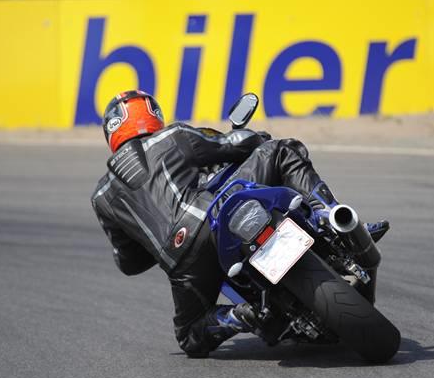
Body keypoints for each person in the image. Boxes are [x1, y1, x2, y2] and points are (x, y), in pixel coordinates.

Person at [91, 90, 384, 358]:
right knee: (282, 150)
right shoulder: (171, 136)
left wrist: (152, 238)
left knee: (190, 336)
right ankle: (328, 215)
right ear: (152, 114)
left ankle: (239, 315)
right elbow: (232, 143)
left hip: (184, 265)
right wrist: (257, 137)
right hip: (212, 215)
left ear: (111, 133)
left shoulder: (101, 197)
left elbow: (129, 263)